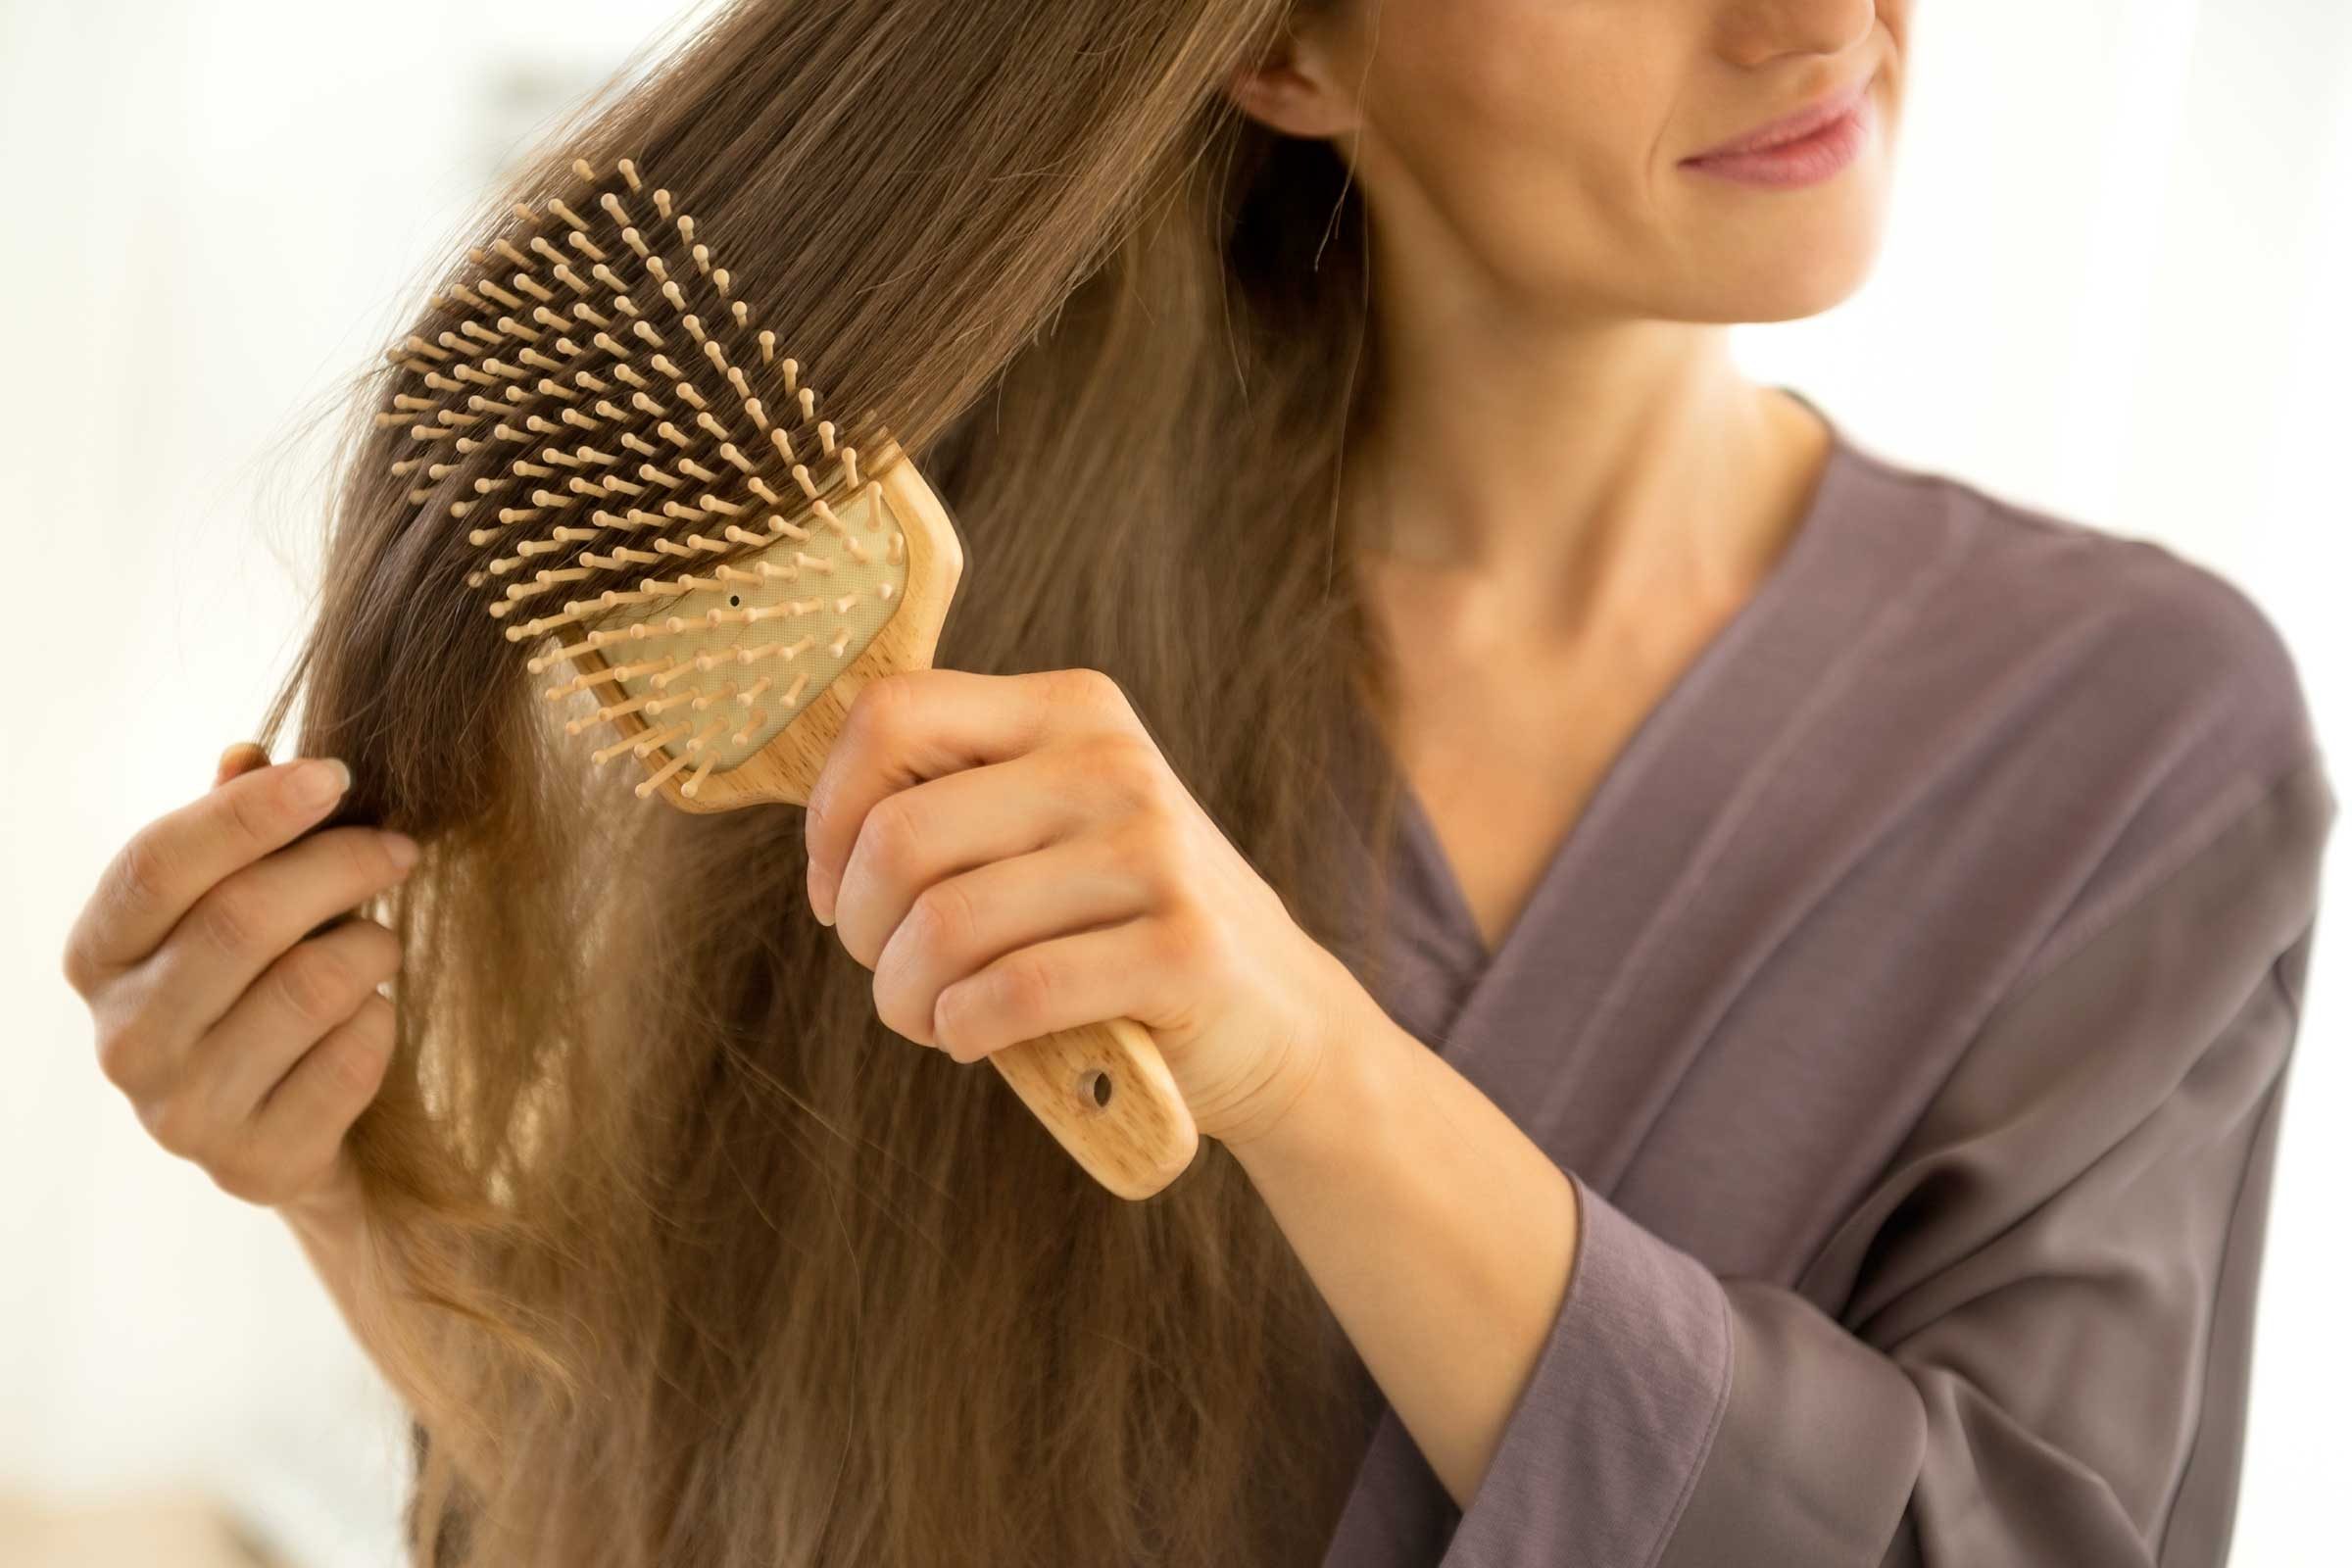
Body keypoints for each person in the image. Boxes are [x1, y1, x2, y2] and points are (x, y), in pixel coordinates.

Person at [61, 1, 2332, 1564]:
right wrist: (362, 1205)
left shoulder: (2129, 740)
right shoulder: (956, 652)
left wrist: (1305, 1061)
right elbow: (694, 1504)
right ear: (1277, 43)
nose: (1819, 9)